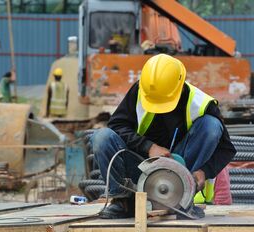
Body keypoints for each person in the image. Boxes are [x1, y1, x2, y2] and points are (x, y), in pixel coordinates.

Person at [92, 54, 236, 219]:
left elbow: (226, 149)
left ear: (180, 87)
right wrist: (149, 147)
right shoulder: (141, 91)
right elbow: (116, 126)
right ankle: (123, 201)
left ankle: (182, 198)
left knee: (211, 126)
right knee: (102, 137)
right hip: (141, 167)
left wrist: (204, 172)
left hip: (179, 170)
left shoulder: (200, 103)